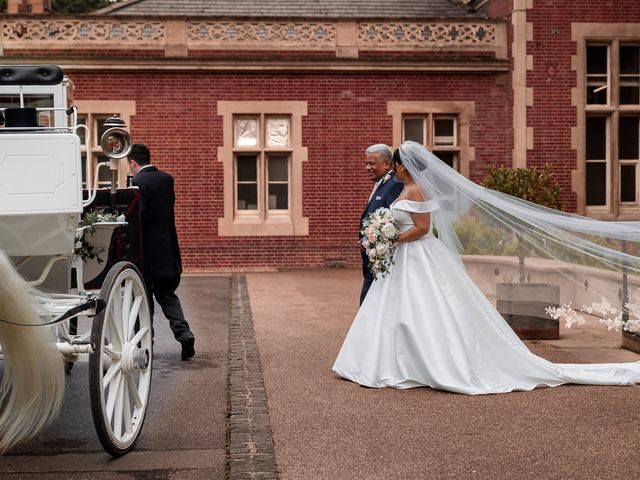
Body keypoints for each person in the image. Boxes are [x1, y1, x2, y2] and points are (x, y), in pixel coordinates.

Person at [333, 141, 640, 394]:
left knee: (425, 309)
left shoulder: (415, 190)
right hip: (406, 257)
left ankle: (422, 362)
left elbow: (423, 229)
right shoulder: (408, 187)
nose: (396, 168)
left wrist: (393, 238)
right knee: (398, 310)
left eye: (397, 163)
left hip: (416, 253)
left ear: (401, 165)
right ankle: (393, 360)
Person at [127, 144, 195, 360]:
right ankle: (184, 334)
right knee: (167, 295)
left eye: (129, 165)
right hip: (167, 250)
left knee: (142, 300)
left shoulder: (137, 183)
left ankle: (146, 343)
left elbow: (141, 217)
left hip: (145, 255)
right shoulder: (167, 180)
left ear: (133, 163)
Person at [359, 144, 404, 305]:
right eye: (366, 163)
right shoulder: (382, 184)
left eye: (372, 163)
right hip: (372, 254)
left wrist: (378, 243)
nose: (367, 167)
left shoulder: (394, 185)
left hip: (382, 257)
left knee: (370, 297)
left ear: (387, 164)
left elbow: (394, 220)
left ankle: (365, 328)